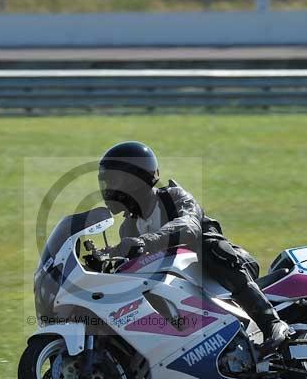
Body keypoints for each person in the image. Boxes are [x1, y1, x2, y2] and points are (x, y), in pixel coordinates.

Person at [97, 141, 293, 357]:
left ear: (136, 179)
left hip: (225, 270)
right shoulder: (128, 228)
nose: (109, 189)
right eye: (106, 182)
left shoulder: (173, 197)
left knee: (210, 247)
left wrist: (146, 241)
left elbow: (189, 226)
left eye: (115, 181)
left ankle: (273, 323)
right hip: (183, 287)